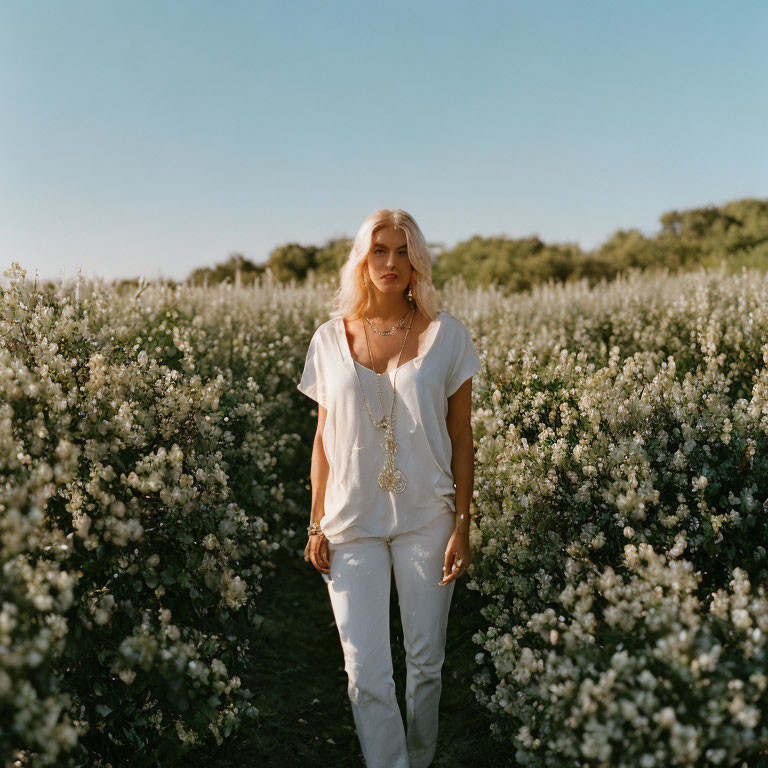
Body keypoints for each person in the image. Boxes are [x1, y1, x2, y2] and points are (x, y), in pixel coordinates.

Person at [297, 208, 481, 768]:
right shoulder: (330, 339)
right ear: (362, 259)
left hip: (428, 518)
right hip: (350, 522)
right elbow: (323, 439)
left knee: (426, 662)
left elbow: (461, 436)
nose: (392, 262)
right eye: (380, 250)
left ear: (417, 261)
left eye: (403, 251)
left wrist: (463, 525)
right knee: (364, 668)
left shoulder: (448, 336)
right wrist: (314, 521)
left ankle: (419, 757)